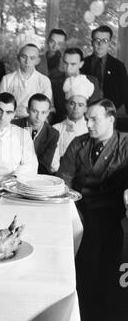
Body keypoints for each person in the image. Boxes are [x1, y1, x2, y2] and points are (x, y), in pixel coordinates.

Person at [57, 99, 128, 306]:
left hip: (110, 212)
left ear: (111, 119)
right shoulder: (79, 143)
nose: (88, 124)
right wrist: (71, 210)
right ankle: (79, 300)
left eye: (94, 120)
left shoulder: (125, 144)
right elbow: (64, 180)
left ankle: (99, 304)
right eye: (87, 119)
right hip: (78, 209)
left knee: (100, 245)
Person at [0, 44, 53, 119]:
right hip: (11, 120)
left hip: (34, 120)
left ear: (37, 61)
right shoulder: (7, 79)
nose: (27, 61)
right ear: (18, 57)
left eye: (32, 58)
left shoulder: (44, 80)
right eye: (24, 57)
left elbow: (45, 107)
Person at [81, 25, 128, 112]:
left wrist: (110, 109)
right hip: (85, 111)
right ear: (92, 42)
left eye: (105, 41)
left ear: (109, 43)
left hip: (109, 113)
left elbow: (124, 93)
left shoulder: (118, 66)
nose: (100, 44)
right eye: (97, 40)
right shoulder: (82, 64)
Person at [52, 75, 94, 171]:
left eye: (80, 105)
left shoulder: (91, 128)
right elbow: (53, 161)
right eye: (72, 103)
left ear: (86, 108)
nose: (76, 108)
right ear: (66, 105)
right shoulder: (56, 129)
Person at [13, 94, 59, 175]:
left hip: (37, 176)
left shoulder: (52, 134)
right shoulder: (13, 126)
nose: (38, 117)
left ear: (48, 113)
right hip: (12, 173)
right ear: (27, 110)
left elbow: (44, 165)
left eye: (43, 112)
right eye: (34, 111)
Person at [53, 47, 101, 122]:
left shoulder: (92, 81)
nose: (68, 67)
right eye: (65, 63)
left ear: (81, 64)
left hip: (85, 125)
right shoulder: (55, 82)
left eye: (73, 64)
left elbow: (94, 108)